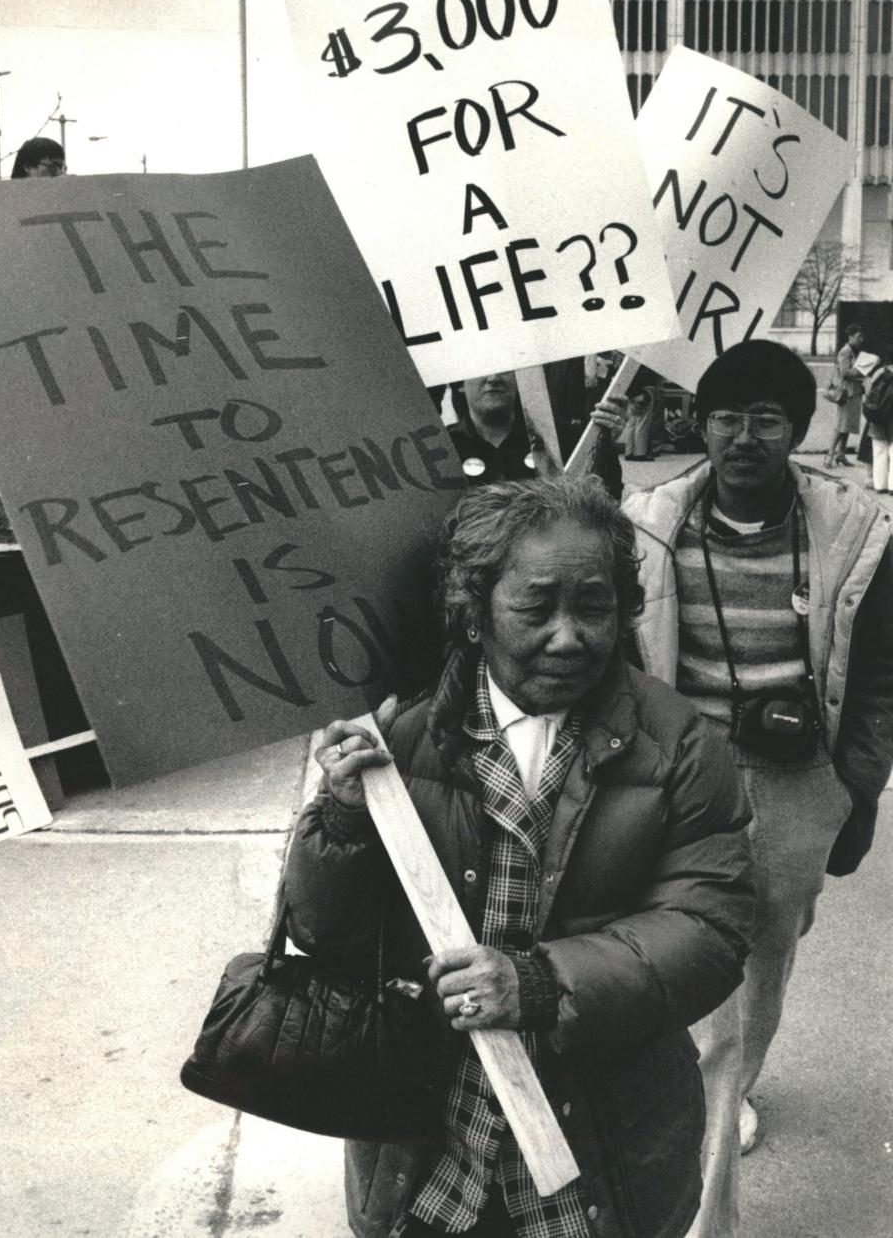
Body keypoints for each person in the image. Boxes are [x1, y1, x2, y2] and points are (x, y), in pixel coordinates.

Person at [284, 475, 755, 1238]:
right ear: (475, 611)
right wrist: (341, 817)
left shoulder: (680, 748)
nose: (569, 636)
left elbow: (710, 929)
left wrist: (539, 983)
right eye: (536, 607)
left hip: (603, 1153)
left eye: (594, 606)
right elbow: (324, 933)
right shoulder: (395, 738)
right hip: (426, 1147)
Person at [623, 339, 893, 1238]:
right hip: (678, 773)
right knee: (681, 943)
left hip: (795, 781)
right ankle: (708, 1115)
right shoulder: (646, 521)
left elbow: (882, 675)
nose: (746, 436)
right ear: (698, 424)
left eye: (768, 419)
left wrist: (854, 788)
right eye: (728, 417)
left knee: (766, 952)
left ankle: (735, 1075)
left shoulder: (857, 530)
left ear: (799, 431)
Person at [448, 369, 624, 497]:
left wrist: (604, 439)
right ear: (459, 384)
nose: (493, 378)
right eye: (483, 367)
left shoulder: (562, 438)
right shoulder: (442, 448)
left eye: (505, 369)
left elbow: (607, 496)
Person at [824, 323, 865, 468]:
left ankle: (840, 454)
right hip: (846, 393)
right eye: (859, 336)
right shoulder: (846, 351)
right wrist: (863, 371)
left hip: (853, 393)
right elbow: (844, 372)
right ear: (850, 336)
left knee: (846, 425)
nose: (861, 339)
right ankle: (829, 456)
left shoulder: (853, 351)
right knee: (841, 424)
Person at [863, 345, 893, 494]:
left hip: (878, 417)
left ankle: (880, 485)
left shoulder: (879, 372)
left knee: (879, 451)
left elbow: (868, 393)